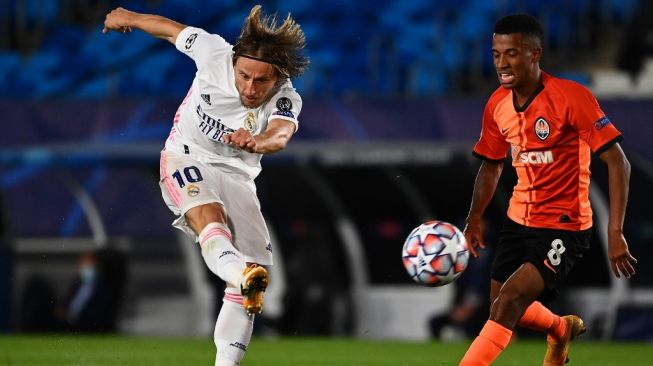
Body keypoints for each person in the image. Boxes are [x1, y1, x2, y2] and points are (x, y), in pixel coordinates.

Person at [102, 5, 308, 365]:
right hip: (186, 156)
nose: (251, 87)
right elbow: (169, 29)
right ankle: (242, 273)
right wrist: (129, 18)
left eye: (262, 81)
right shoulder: (213, 52)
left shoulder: (286, 97)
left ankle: (231, 334)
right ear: (234, 64)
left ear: (278, 78)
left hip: (238, 176)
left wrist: (258, 142)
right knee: (209, 219)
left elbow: (280, 134)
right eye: (244, 76)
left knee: (248, 284)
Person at [459, 14, 638, 366]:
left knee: (508, 301)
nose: (501, 63)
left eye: (511, 53)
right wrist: (474, 219)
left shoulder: (571, 97)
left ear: (534, 54)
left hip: (563, 225)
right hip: (517, 221)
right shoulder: (497, 103)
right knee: (501, 305)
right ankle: (560, 329)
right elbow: (492, 165)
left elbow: (619, 163)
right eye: (496, 54)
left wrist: (615, 231)